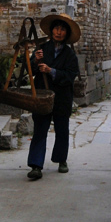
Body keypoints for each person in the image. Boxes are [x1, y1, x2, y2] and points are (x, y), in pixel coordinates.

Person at [26, 13, 81, 180]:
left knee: (62, 129)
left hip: (62, 97)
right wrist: (35, 61)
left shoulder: (69, 55)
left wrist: (52, 71)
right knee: (40, 129)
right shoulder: (42, 49)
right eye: (56, 28)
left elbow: (71, 75)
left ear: (66, 34)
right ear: (51, 31)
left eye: (62, 29)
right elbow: (30, 70)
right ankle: (36, 165)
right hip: (43, 95)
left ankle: (61, 159)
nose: (59, 32)